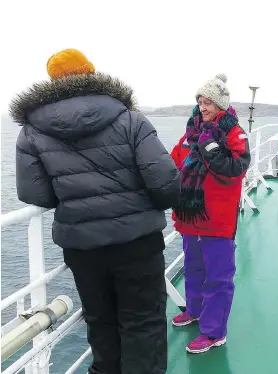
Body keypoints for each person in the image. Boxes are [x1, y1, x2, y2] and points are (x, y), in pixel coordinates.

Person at [9, 48, 180, 374]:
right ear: (91, 74)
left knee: (101, 322)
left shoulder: (32, 130)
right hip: (137, 243)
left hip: (83, 247)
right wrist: (146, 208)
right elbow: (166, 182)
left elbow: (35, 194)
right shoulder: (129, 118)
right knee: (143, 323)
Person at [171, 74, 251, 354]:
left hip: (217, 219)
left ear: (221, 105)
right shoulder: (190, 131)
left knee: (218, 276)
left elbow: (235, 169)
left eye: (209, 103)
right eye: (200, 102)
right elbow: (174, 161)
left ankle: (214, 332)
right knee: (193, 267)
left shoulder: (233, 133)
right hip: (190, 215)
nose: (203, 108)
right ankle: (193, 310)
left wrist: (209, 148)